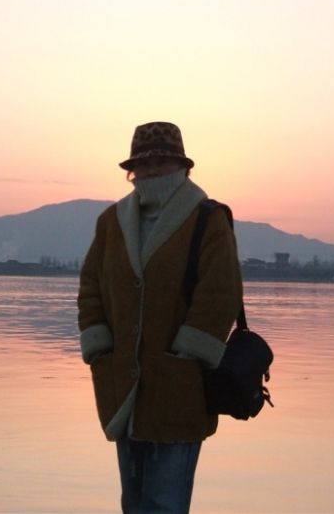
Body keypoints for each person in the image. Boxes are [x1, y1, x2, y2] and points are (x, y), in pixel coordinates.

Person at [77, 121, 243, 513]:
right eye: (143, 163)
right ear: (132, 169)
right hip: (121, 383)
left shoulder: (207, 218)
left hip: (180, 384)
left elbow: (220, 292)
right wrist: (99, 346)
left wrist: (188, 353)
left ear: (182, 166)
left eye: (162, 162)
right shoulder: (111, 221)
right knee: (133, 502)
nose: (152, 170)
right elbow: (91, 286)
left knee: (164, 504)